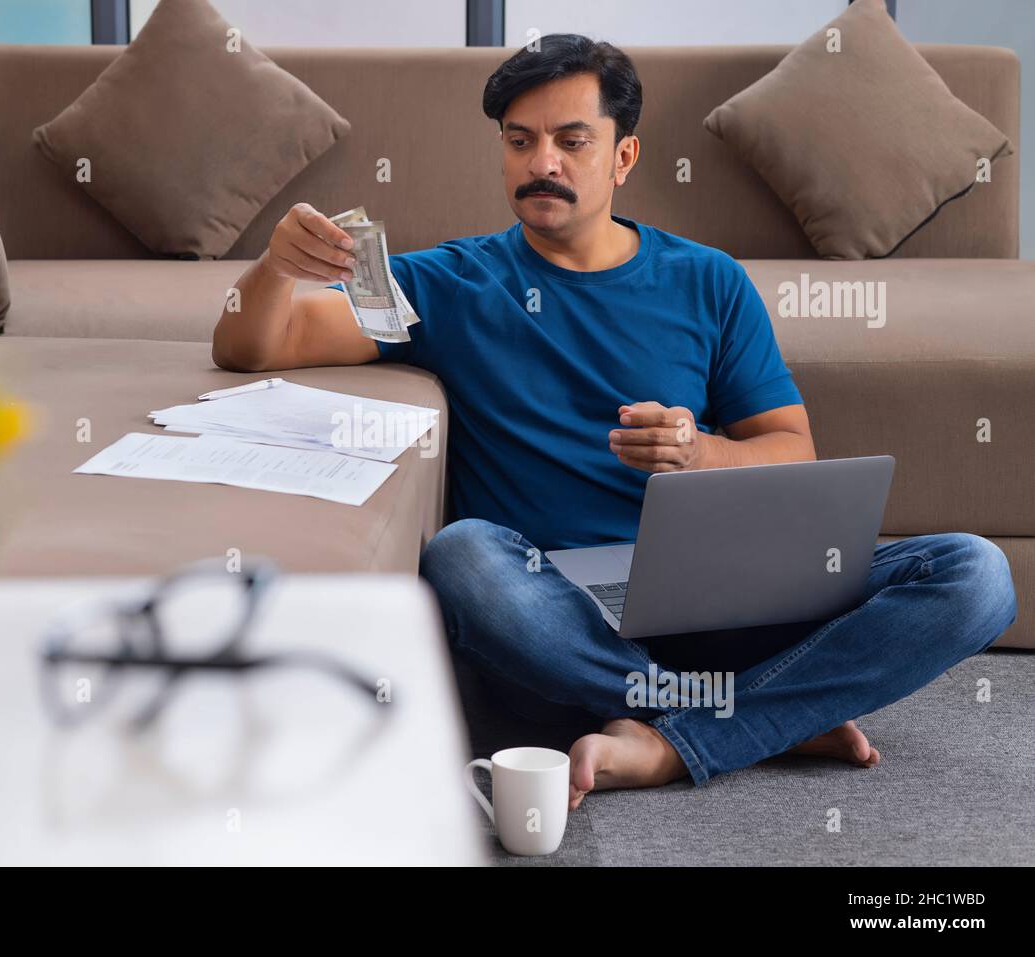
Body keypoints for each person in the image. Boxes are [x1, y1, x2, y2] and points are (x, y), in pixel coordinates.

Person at [211, 34, 1018, 802]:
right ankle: (765, 715)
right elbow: (255, 345)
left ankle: (678, 737)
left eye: (571, 140)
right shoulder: (447, 284)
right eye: (519, 141)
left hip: (720, 591)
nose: (542, 164)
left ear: (624, 155)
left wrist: (698, 452)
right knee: (462, 557)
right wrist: (277, 266)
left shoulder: (708, 281)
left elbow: (790, 450)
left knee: (974, 573)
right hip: (554, 609)